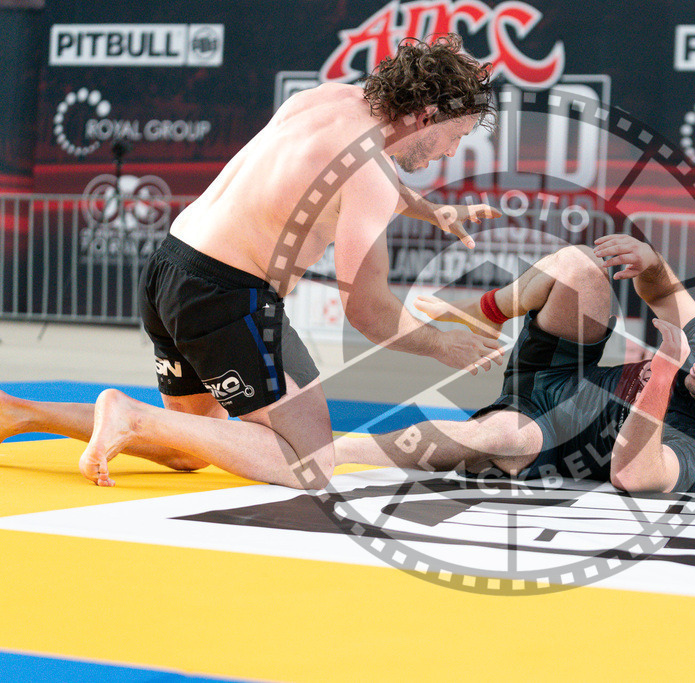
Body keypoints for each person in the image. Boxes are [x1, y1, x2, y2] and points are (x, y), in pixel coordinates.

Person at [0, 34, 503, 490]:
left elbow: (339, 171)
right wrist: (442, 343)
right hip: (227, 295)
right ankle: (132, 415)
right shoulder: (369, 173)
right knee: (313, 462)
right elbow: (368, 311)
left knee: (190, 446)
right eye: (454, 135)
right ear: (426, 115)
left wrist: (428, 208)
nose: (452, 151)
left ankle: (18, 413)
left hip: (171, 269)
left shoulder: (331, 99)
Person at [334, 233, 695, 493]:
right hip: (560, 370)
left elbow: (632, 476)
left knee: (491, 436)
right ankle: (488, 312)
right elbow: (661, 292)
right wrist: (652, 262)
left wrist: (661, 374)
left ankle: (328, 451)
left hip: (552, 430)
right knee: (579, 265)